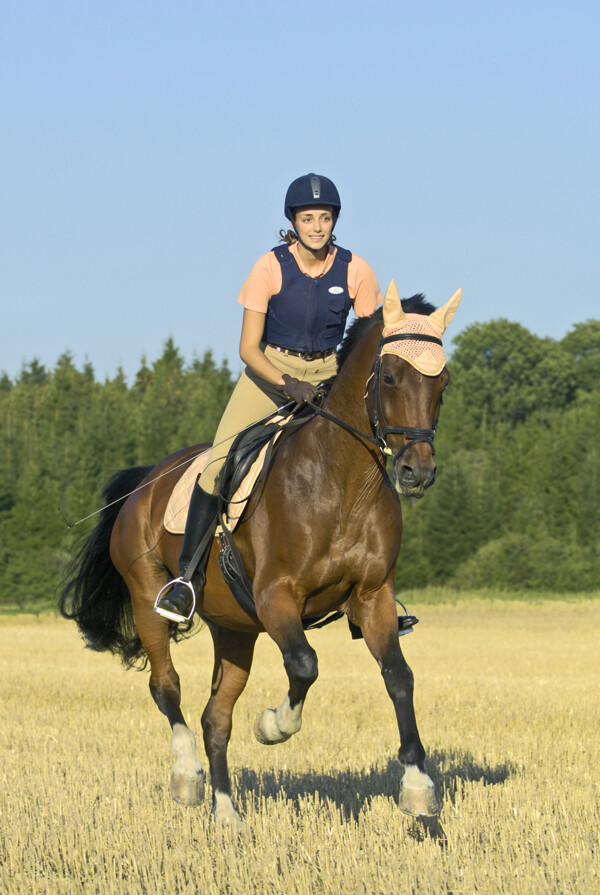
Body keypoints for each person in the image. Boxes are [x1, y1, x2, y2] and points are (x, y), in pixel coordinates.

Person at [154, 173, 383, 623]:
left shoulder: (356, 269)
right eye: (307, 218)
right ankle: (185, 580)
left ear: (334, 220)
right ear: (293, 221)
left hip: (329, 379)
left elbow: (369, 339)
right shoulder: (269, 267)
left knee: (369, 463)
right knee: (218, 463)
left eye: (324, 218)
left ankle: (373, 592)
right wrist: (287, 383)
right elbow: (247, 349)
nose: (316, 226)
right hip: (268, 375)